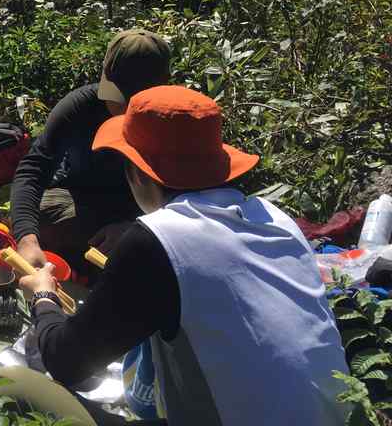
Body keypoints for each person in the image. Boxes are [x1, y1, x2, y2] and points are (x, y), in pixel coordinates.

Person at [20, 86, 349, 426]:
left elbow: (66, 362)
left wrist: (43, 296)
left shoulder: (158, 242)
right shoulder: (277, 219)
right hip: (337, 416)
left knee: (18, 386)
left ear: (138, 172)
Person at [11, 29, 171, 270]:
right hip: (83, 206)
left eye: (132, 104)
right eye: (118, 100)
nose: (121, 109)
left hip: (142, 214)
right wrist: (26, 238)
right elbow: (33, 167)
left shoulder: (173, 119)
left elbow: (187, 201)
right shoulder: (80, 106)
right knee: (40, 219)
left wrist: (133, 228)